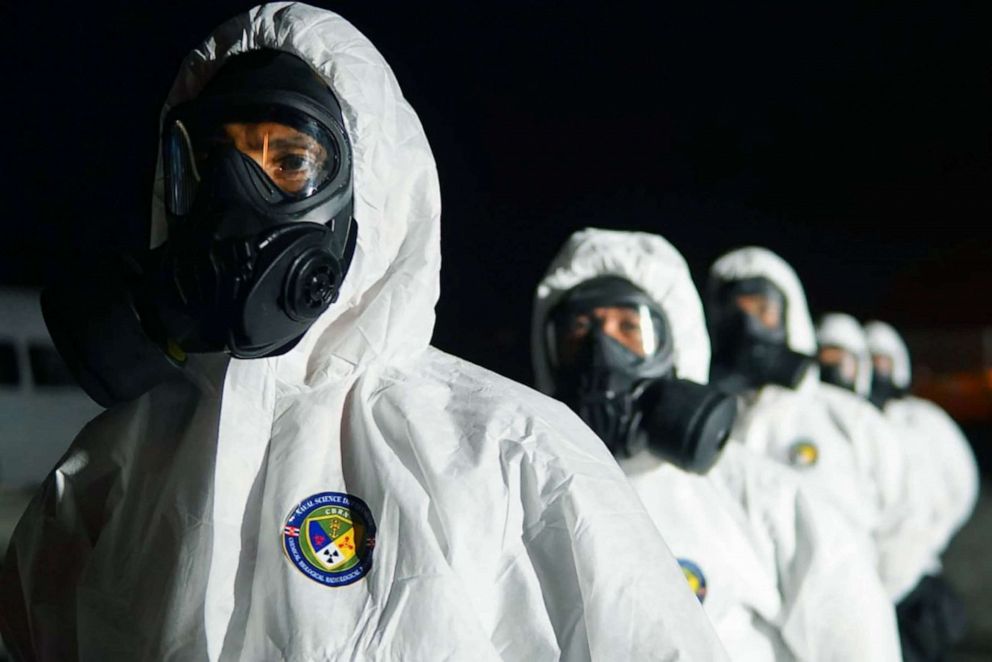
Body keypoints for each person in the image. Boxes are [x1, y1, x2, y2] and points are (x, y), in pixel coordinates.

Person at [0, 5, 729, 661]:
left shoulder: (512, 452)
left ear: (366, 191)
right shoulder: (112, 469)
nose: (237, 202)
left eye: (288, 161)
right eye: (214, 165)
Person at [531, 228, 902, 661]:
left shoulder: (757, 496)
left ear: (677, 343)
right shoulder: (526, 492)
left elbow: (853, 637)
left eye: (630, 328)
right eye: (579, 330)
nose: (601, 352)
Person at [705, 247, 929, 603]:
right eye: (735, 313)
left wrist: (869, 604)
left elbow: (905, 521)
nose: (749, 327)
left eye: (764, 311)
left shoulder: (848, 420)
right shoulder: (707, 424)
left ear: (789, 316)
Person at [865, 320, 979, 661]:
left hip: (917, 573)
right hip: (869, 575)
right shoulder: (854, 420)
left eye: (883, 362)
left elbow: (960, 481)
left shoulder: (922, 419)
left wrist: (929, 534)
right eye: (868, 362)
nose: (876, 371)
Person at [815, 312, 872, 397]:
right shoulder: (797, 400)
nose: (835, 365)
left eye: (841, 359)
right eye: (829, 357)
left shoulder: (863, 409)